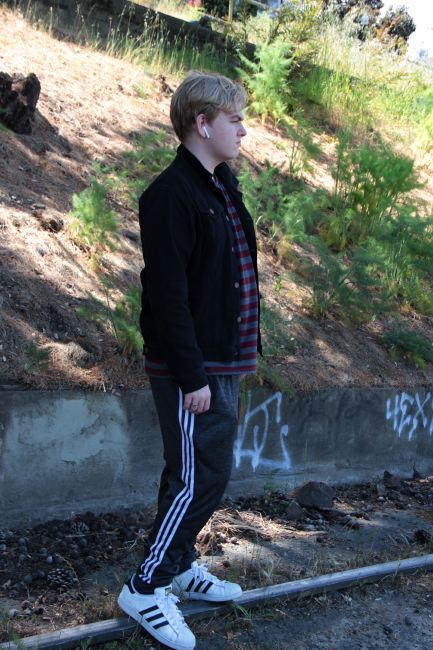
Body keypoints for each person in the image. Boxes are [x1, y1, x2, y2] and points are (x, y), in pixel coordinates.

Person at [118, 71, 261, 650]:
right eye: (235, 120)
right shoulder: (170, 195)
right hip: (192, 369)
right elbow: (167, 295)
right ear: (202, 124)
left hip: (221, 360)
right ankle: (145, 586)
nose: (243, 131)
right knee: (193, 479)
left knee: (206, 474)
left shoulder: (221, 186)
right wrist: (191, 376)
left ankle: (178, 566)